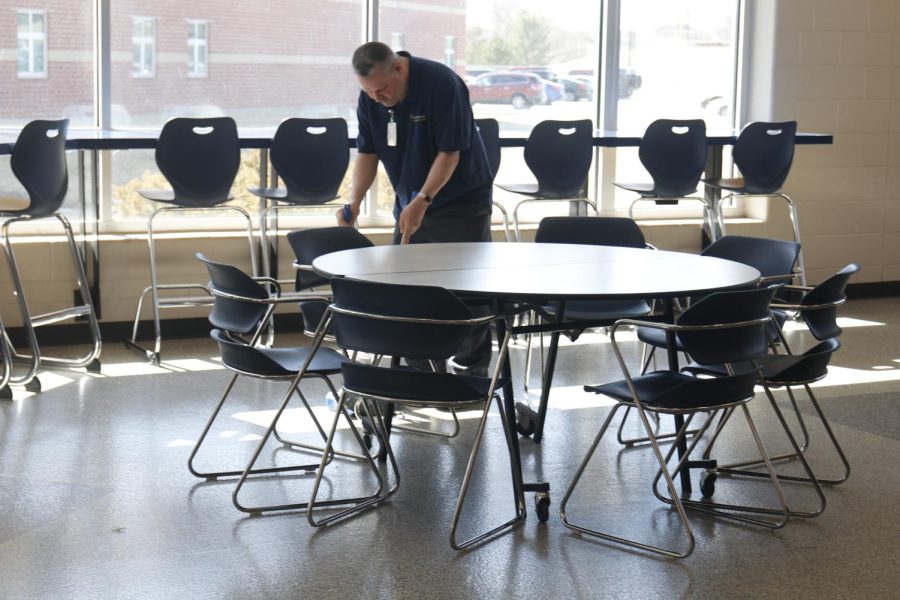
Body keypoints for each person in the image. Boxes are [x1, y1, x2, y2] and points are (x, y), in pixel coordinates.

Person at [337, 41, 494, 375]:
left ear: (398, 68)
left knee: (465, 289)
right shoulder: (372, 96)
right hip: (411, 197)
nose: (376, 98)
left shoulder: (441, 83)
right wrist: (354, 202)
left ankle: (471, 369)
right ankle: (420, 369)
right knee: (408, 285)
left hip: (460, 197)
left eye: (381, 90)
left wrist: (423, 199)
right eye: (368, 93)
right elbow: (367, 152)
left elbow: (450, 152)